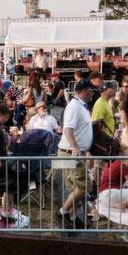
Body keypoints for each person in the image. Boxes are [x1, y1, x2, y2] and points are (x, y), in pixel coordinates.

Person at [57, 80, 95, 223]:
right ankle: (62, 212)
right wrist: (75, 147)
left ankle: (71, 218)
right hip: (70, 152)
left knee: (75, 188)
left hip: (71, 152)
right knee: (84, 186)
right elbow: (67, 129)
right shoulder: (74, 106)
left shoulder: (81, 106)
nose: (92, 94)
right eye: (91, 91)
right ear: (84, 91)